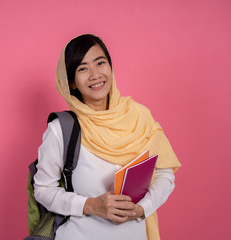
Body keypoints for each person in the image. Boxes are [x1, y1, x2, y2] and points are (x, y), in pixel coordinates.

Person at [33, 34, 181, 240]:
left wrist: (142, 208)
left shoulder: (140, 117)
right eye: (82, 68)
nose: (94, 74)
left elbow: (165, 173)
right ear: (72, 82)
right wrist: (91, 205)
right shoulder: (62, 129)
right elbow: (42, 189)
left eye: (100, 63)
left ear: (110, 67)